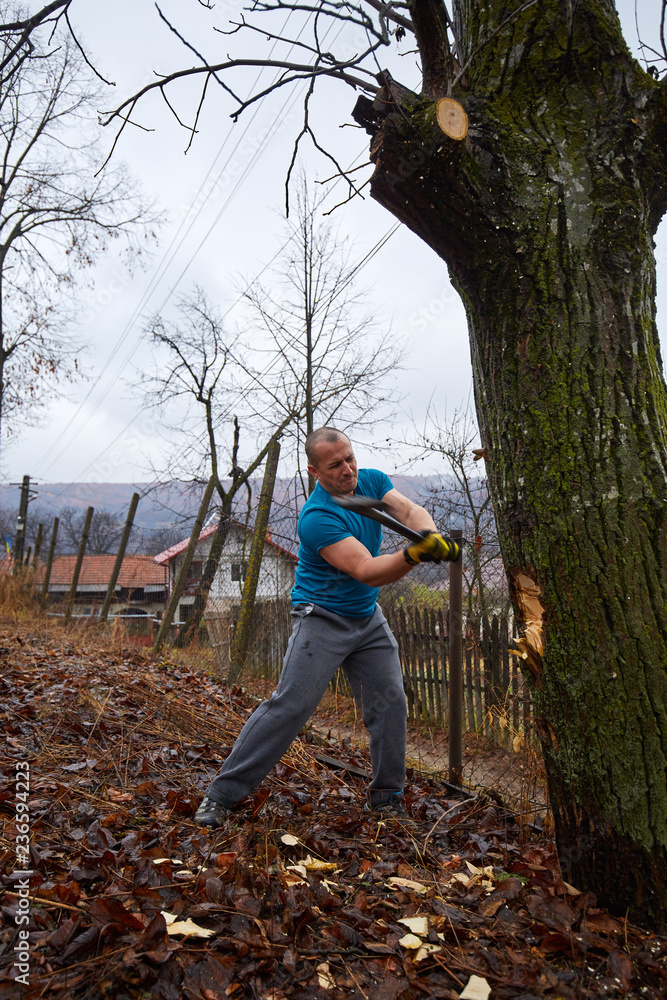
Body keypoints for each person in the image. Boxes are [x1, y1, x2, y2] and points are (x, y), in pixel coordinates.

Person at [194, 427, 458, 827]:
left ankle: (387, 798)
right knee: (290, 706)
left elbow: (407, 511)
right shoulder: (317, 518)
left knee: (390, 703)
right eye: (336, 465)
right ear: (315, 471)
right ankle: (220, 795)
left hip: (367, 619)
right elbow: (367, 570)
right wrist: (415, 554)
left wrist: (429, 534)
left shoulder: (370, 481)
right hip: (322, 618)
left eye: (350, 458)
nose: (348, 469)